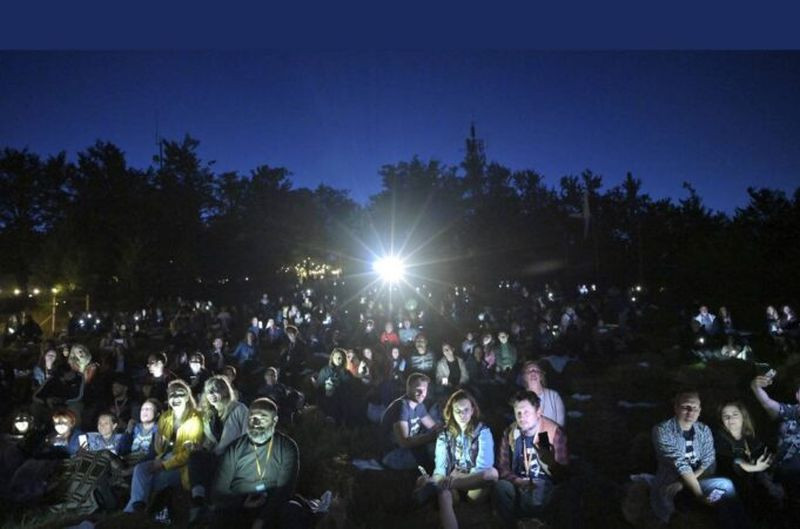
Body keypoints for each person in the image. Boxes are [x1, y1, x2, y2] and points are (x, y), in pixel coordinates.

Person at [651, 391, 747, 528]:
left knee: (726, 486)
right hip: (670, 485)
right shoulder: (662, 430)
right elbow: (679, 463)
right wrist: (698, 494)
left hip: (695, 481)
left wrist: (684, 483)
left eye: (695, 408)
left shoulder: (703, 429)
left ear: (700, 410)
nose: (691, 412)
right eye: (686, 407)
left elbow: (708, 460)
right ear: (676, 408)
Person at [211, 397, 305, 529]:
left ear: (274, 421)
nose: (255, 423)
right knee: (220, 514)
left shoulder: (287, 447)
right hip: (242, 504)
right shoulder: (235, 447)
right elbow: (220, 489)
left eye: (263, 418)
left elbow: (285, 488)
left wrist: (262, 519)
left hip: (272, 505)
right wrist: (242, 503)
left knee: (292, 510)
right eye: (252, 417)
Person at [416, 390, 497, 529]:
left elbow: (484, 467)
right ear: (451, 412)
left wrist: (456, 478)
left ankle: (444, 485)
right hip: (452, 486)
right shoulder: (444, 434)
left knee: (492, 473)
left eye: (466, 410)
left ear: (472, 410)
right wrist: (439, 478)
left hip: (473, 486)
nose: (462, 415)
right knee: (441, 490)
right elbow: (440, 467)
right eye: (457, 411)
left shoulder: (483, 431)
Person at [124, 380, 204, 515]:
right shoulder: (165, 417)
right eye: (172, 395)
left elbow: (189, 453)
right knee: (140, 469)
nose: (176, 398)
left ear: (187, 397)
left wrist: (164, 465)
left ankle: (132, 512)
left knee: (153, 481)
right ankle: (138, 505)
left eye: (180, 394)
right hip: (163, 458)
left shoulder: (194, 419)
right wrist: (159, 449)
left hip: (181, 466)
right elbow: (159, 447)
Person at [493, 390, 568, 529]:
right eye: (518, 413)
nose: (522, 417)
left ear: (538, 412)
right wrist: (519, 482)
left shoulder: (552, 432)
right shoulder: (511, 432)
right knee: (501, 487)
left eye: (526, 412)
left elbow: (562, 475)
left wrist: (548, 462)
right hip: (520, 487)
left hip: (547, 490)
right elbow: (503, 468)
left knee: (564, 492)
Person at [188, 375, 249, 520]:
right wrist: (199, 447)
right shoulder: (208, 416)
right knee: (195, 457)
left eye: (216, 390)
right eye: (209, 391)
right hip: (217, 457)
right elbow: (210, 443)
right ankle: (198, 500)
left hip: (235, 459)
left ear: (225, 391)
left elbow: (248, 436)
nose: (212, 395)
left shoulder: (239, 409)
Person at [714, 401, 785, 516]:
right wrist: (752, 467)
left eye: (735, 414)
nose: (730, 418)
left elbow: (764, 454)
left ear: (743, 417)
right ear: (722, 420)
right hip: (732, 485)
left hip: (754, 485)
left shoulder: (750, 439)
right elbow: (734, 461)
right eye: (725, 415)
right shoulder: (718, 438)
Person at [750, 374, 800, 503]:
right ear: (798, 395)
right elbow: (766, 403)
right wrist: (755, 386)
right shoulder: (789, 411)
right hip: (781, 472)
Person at [381, 373, 443, 469]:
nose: (422, 393)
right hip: (393, 454)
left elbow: (434, 427)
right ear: (409, 388)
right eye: (418, 389)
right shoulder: (401, 406)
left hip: (411, 447)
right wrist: (433, 436)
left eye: (424, 390)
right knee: (435, 452)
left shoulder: (419, 405)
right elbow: (404, 442)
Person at [519, 361, 566, 427]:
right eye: (529, 371)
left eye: (536, 370)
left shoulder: (554, 396)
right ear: (524, 377)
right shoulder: (520, 399)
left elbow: (560, 425)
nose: (533, 372)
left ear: (541, 376)